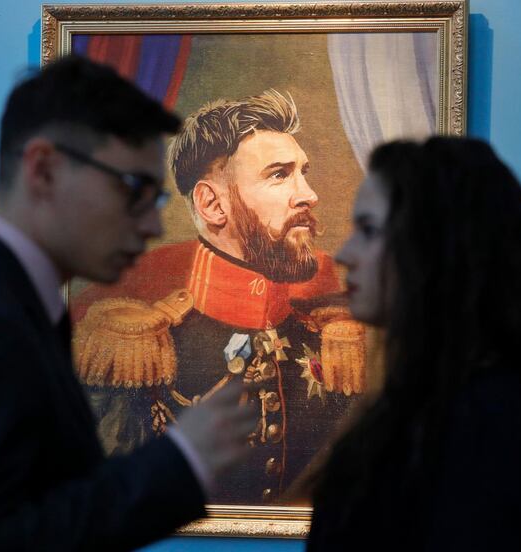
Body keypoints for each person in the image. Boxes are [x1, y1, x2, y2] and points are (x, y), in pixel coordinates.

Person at [0, 56, 258, 551]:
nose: (154, 227)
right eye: (134, 189)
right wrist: (179, 461)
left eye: (155, 199)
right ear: (44, 169)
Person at [71, 90, 366, 504]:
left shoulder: (336, 341)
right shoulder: (136, 351)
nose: (309, 194)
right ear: (212, 204)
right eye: (279, 175)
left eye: (304, 172)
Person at [306, 137, 521, 551]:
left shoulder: (486, 420)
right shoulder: (415, 406)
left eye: (369, 230)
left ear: (435, 246)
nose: (344, 253)